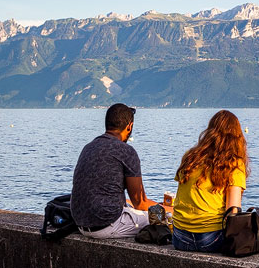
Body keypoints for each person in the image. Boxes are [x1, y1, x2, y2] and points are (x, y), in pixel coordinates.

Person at [71, 103, 161, 239]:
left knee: (129, 205)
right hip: (106, 225)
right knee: (159, 217)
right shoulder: (126, 151)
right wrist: (167, 209)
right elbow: (140, 203)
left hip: (81, 223)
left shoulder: (88, 147)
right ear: (129, 126)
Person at [171, 110, 249, 252]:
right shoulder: (234, 164)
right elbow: (233, 211)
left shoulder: (190, 157)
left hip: (179, 238)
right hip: (210, 239)